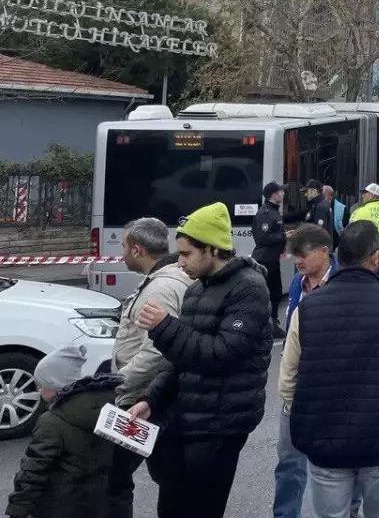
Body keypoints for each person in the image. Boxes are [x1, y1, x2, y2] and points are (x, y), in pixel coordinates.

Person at [132, 202, 273, 518]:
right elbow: (180, 359)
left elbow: (221, 353)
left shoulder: (250, 288)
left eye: (186, 254)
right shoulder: (195, 290)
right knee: (170, 507)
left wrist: (165, 327)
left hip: (221, 424)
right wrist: (152, 399)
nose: (179, 263)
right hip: (185, 418)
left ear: (212, 249)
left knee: (200, 509)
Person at [281, 221, 379, 518]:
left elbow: (287, 380)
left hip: (326, 446)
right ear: (374, 256)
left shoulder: (306, 309)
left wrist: (300, 417)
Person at [109, 217, 191, 518]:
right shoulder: (167, 279)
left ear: (137, 250)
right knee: (167, 476)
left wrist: (119, 382)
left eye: (123, 246)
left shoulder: (161, 288)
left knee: (115, 478)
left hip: (142, 400)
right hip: (153, 398)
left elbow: (156, 351)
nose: (121, 252)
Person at [6, 345, 122, 518]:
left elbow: (34, 470)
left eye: (42, 385)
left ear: (55, 385)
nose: (39, 390)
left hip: (57, 507)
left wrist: (17, 510)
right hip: (97, 505)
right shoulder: (106, 408)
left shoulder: (52, 422)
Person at [274, 224, 340, 518]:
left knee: (340, 461)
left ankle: (349, 508)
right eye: (293, 255)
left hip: (334, 389)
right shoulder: (298, 283)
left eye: (302, 254)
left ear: (325, 252)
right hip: (298, 388)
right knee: (289, 460)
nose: (297, 261)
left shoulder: (345, 282)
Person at [254, 181, 301, 338]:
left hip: (272, 259)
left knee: (276, 292)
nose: (283, 194)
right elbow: (262, 238)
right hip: (264, 260)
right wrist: (283, 236)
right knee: (270, 293)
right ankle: (267, 325)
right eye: (281, 191)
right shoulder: (265, 213)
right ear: (273, 195)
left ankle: (271, 323)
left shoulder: (274, 211)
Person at [348, 183, 379, 280]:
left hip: (362, 259)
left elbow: (350, 236)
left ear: (372, 195)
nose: (362, 195)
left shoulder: (359, 212)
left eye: (365, 193)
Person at [303, 179, 337, 246]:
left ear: (314, 191)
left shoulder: (320, 207)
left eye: (307, 191)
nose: (305, 194)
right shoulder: (318, 205)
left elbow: (319, 233)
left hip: (317, 250)